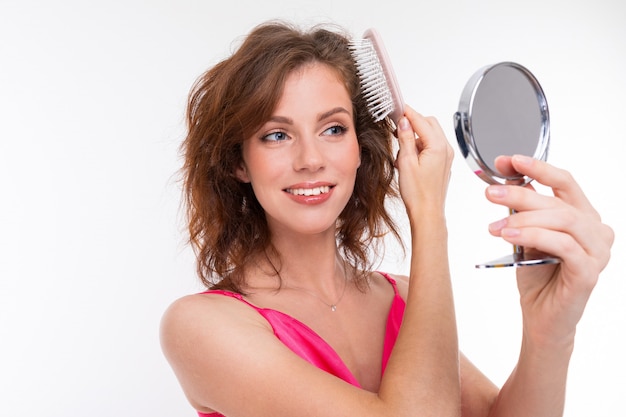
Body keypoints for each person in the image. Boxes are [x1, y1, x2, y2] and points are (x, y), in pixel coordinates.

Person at [160, 20, 614, 417]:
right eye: (276, 135)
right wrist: (429, 217)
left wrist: (550, 332)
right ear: (238, 162)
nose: (311, 158)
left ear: (361, 146)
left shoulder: (402, 297)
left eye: (333, 128)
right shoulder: (201, 328)